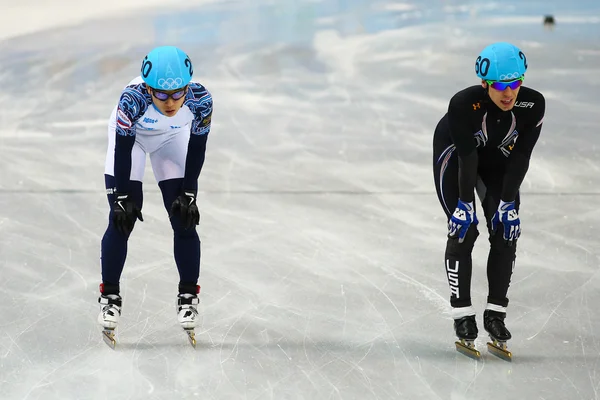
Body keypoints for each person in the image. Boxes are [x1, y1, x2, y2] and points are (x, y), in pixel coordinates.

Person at [432, 42, 545, 346]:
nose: (508, 93)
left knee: (506, 229)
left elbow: (521, 156)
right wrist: (464, 203)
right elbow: (468, 157)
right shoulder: (462, 104)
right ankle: (463, 315)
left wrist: (508, 202)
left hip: (499, 163)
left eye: (515, 83)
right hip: (457, 159)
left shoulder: (533, 104)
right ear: (485, 83)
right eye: (499, 85)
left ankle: (495, 314)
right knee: (463, 229)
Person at [98, 46, 213, 334]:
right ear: (148, 89)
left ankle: (188, 295)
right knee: (121, 218)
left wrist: (189, 192)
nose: (170, 102)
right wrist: (122, 197)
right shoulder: (132, 100)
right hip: (131, 142)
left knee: (184, 217)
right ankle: (109, 295)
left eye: (177, 93)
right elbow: (123, 149)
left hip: (170, 140)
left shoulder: (201, 100)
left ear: (188, 86)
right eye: (161, 94)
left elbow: (197, 147)